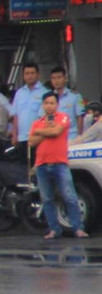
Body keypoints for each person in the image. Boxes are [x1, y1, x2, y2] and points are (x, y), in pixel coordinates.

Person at [28, 92, 87, 239]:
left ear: (57, 104)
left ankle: (78, 228)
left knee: (69, 196)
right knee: (47, 198)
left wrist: (40, 132)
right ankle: (54, 229)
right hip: (42, 164)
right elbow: (31, 141)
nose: (49, 106)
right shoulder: (37, 122)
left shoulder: (63, 117)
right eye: (46, 103)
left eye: (52, 103)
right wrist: (45, 131)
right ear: (43, 105)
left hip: (60, 163)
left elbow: (56, 131)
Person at [9, 62, 46, 155]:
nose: (30, 76)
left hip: (38, 138)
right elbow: (16, 116)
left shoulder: (45, 92)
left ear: (38, 75)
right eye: (27, 73)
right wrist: (14, 136)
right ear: (23, 76)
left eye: (32, 73)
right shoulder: (19, 93)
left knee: (37, 168)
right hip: (22, 138)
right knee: (23, 168)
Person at [47, 66, 85, 136]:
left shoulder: (75, 96)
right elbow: (48, 115)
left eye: (59, 77)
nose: (56, 81)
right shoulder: (49, 98)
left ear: (65, 78)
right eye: (54, 78)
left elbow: (80, 117)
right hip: (55, 136)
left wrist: (80, 135)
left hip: (72, 135)